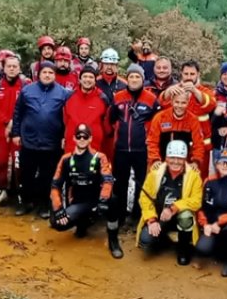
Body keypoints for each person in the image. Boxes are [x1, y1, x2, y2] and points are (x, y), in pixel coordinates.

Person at [11, 62, 71, 218]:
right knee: (26, 174)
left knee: (48, 176)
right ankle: (26, 202)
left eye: (51, 73)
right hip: (29, 141)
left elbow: (68, 118)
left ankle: (44, 205)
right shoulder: (27, 91)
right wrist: (16, 133)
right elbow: (17, 113)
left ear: (55, 75)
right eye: (45, 72)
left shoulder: (63, 93)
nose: (47, 75)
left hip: (51, 143)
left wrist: (65, 136)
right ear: (39, 74)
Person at [49, 123, 120, 257]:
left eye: (85, 136)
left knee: (114, 201)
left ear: (90, 139)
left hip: (98, 201)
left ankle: (113, 240)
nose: (82, 139)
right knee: (56, 223)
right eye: (79, 136)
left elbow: (108, 180)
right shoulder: (66, 159)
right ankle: (83, 223)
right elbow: (55, 186)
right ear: (74, 138)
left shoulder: (100, 157)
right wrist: (58, 209)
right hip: (78, 203)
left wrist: (104, 199)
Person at [137, 140, 204, 265]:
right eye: (172, 157)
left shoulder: (194, 176)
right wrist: (151, 220)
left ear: (185, 158)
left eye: (180, 158)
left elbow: (196, 201)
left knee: (186, 217)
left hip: (178, 216)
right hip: (160, 216)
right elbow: (144, 198)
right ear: (166, 157)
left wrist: (174, 208)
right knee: (146, 240)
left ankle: (183, 250)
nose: (175, 161)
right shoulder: (156, 173)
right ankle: (164, 240)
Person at [109, 64, 160, 225]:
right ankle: (120, 214)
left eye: (137, 77)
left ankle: (138, 215)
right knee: (120, 183)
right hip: (121, 148)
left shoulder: (151, 98)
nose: (134, 79)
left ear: (142, 79)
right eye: (131, 76)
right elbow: (110, 119)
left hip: (142, 149)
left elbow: (157, 122)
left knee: (142, 183)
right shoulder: (118, 96)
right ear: (127, 78)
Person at [0, 54, 30, 207]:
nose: (12, 69)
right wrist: (7, 122)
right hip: (0, 132)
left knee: (18, 164)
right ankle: (1, 191)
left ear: (19, 68)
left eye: (15, 66)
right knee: (0, 163)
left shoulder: (26, 85)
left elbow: (27, 108)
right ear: (4, 68)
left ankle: (19, 194)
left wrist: (13, 123)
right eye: (9, 66)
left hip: (18, 132)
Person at [146, 88, 206, 169]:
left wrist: (196, 161)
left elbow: (198, 143)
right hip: (161, 161)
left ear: (188, 102)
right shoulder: (160, 117)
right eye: (177, 102)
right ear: (171, 101)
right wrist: (155, 159)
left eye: (183, 103)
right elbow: (152, 141)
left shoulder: (193, 120)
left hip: (183, 163)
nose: (179, 106)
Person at [177, 61, 217, 172]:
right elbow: (164, 105)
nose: (189, 77)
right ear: (181, 74)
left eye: (192, 74)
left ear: (198, 74)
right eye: (186, 74)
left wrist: (194, 91)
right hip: (180, 143)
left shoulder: (205, 91)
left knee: (200, 180)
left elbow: (211, 105)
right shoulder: (176, 90)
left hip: (202, 145)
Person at [64, 67, 113, 154]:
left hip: (94, 147)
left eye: (91, 77)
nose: (87, 79)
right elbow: (65, 120)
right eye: (85, 76)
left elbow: (107, 123)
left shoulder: (103, 98)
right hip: (72, 146)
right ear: (80, 79)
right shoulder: (70, 96)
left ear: (95, 80)